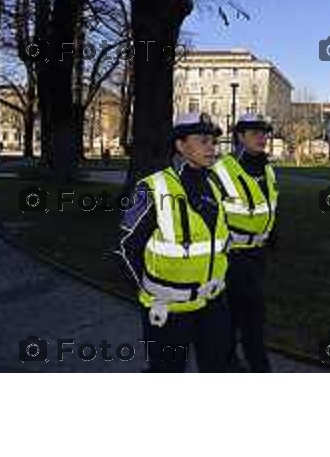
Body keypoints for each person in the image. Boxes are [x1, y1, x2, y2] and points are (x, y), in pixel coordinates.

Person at [117, 112, 232, 372]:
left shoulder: (214, 185)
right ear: (180, 145)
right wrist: (152, 292)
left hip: (212, 305)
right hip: (168, 310)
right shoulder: (151, 188)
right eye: (203, 140)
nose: (211, 147)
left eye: (213, 141)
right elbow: (126, 248)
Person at [211, 113, 278, 372]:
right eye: (254, 133)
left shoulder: (266, 168)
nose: (262, 138)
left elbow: (268, 205)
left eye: (264, 133)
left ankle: (233, 362)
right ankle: (250, 366)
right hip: (232, 255)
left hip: (257, 254)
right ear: (240, 136)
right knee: (244, 316)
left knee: (245, 314)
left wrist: (272, 233)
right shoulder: (223, 169)